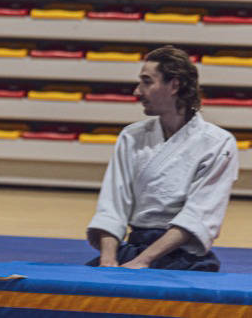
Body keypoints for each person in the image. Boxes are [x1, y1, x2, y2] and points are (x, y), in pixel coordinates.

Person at [87, 45, 239, 271]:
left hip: (181, 256)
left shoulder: (218, 143)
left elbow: (198, 216)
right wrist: (108, 260)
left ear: (174, 85)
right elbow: (112, 205)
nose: (137, 92)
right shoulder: (132, 136)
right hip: (130, 250)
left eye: (147, 82)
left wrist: (144, 261)